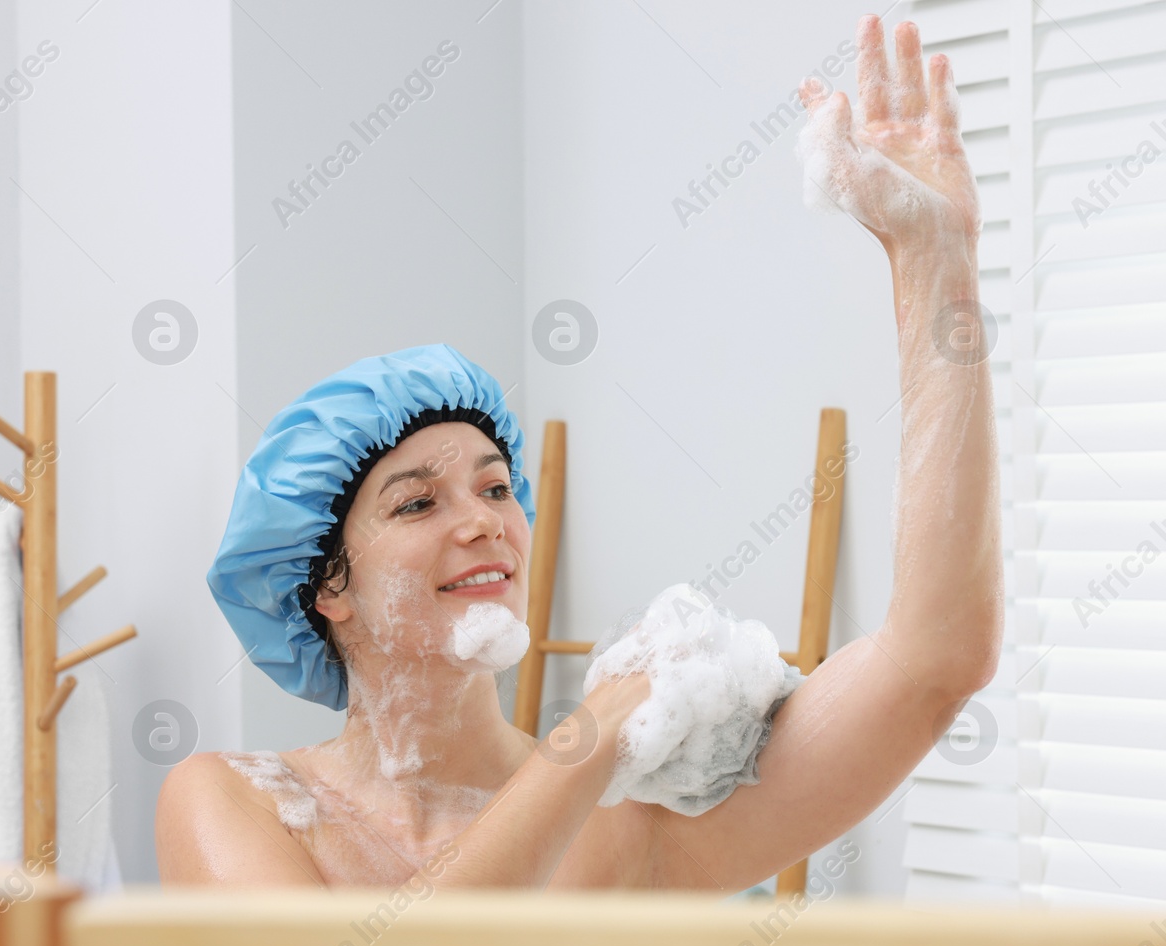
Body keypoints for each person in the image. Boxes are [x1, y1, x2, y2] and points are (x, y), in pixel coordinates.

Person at [155, 14, 1002, 890]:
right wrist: (586, 739)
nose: (483, 520)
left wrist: (935, 261)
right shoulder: (233, 799)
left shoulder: (631, 820)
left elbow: (933, 660)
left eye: (495, 487)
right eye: (418, 502)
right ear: (328, 582)